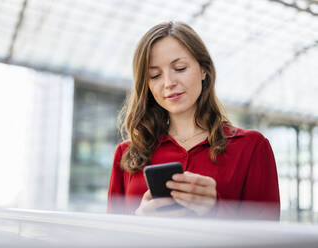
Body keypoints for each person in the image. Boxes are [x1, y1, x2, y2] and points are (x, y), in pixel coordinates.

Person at [107, 21, 280, 220]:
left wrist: (216, 209)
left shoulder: (252, 147)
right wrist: (139, 221)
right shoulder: (126, 154)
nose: (169, 83)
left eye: (180, 68)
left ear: (204, 70)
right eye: (155, 75)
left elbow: (268, 237)